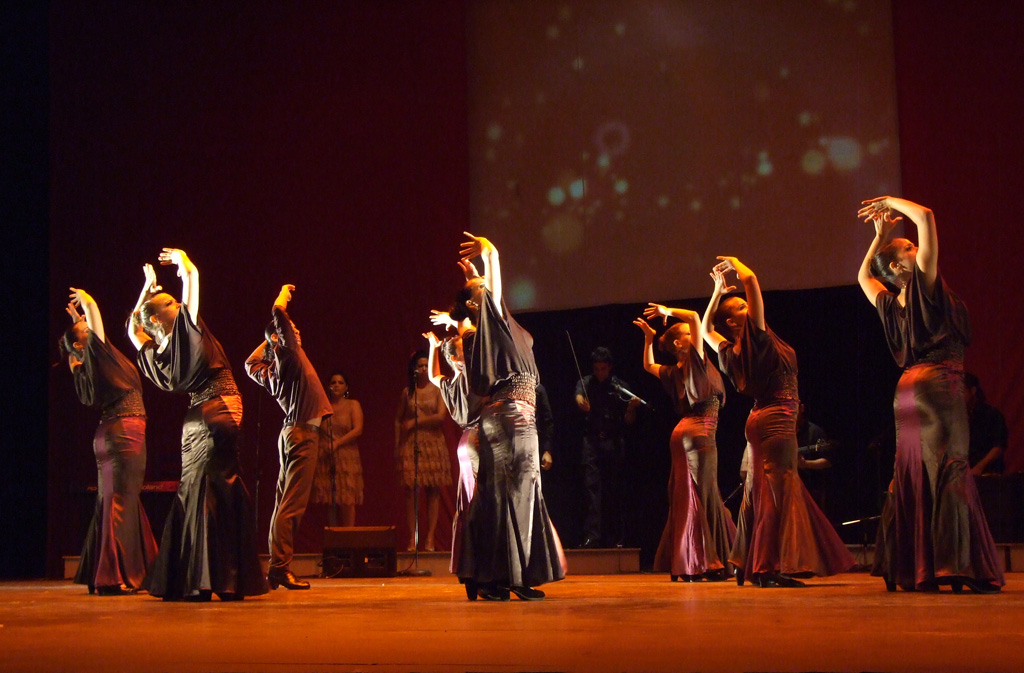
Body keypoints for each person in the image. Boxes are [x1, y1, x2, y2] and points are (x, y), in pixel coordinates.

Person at [856, 196, 1003, 593]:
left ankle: (911, 564)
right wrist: (889, 204)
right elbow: (926, 216)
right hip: (939, 382)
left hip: (906, 389)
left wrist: (881, 236)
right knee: (951, 466)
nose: (916, 247)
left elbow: (862, 277)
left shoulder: (890, 301)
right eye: (908, 248)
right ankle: (952, 566)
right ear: (902, 267)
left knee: (912, 474)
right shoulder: (923, 283)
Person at [702, 257, 854, 587]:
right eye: (740, 307)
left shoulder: (729, 350)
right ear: (733, 322)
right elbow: (753, 282)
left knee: (758, 491)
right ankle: (767, 567)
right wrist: (738, 266)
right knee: (777, 490)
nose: (748, 307)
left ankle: (746, 563)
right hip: (778, 419)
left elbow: (704, 330)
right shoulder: (752, 340)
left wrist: (716, 291)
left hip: (759, 420)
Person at [129, 250, 267, 601]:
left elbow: (133, 327)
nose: (177, 303)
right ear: (162, 317)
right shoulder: (185, 333)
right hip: (218, 408)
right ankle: (219, 579)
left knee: (197, 491)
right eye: (170, 303)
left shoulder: (154, 352)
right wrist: (184, 261)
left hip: (194, 419)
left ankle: (195, 579)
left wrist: (146, 289)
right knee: (217, 489)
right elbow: (192, 280)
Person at [452, 233, 565, 600]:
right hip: (510, 416)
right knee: (516, 492)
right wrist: (491, 256)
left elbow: (489, 296)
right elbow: (490, 292)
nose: (491, 290)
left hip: (515, 416)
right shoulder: (489, 320)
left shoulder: (503, 325)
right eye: (483, 290)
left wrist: (476, 276)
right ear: (476, 301)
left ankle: (491, 577)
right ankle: (512, 576)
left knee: (505, 495)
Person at [62, 288, 157, 595]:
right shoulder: (95, 354)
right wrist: (86, 300)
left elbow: (93, 331)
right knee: (120, 501)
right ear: (82, 343)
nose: (93, 331)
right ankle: (112, 577)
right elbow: (93, 312)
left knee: (117, 501)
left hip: (111, 434)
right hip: (124, 434)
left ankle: (123, 571)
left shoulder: (93, 362)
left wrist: (144, 290)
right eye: (87, 331)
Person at [635, 304, 734, 581]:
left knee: (687, 496)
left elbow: (647, 365)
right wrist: (667, 311)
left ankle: (688, 560)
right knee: (704, 495)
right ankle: (703, 561)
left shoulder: (675, 370)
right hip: (700, 431)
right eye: (689, 335)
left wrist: (648, 339)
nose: (696, 335)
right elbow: (694, 317)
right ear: (680, 343)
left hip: (682, 434)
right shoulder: (694, 358)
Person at [245, 284, 333, 591]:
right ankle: (280, 567)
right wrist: (283, 296)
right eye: (290, 330)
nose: (295, 331)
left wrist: (268, 342)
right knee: (291, 505)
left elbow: (249, 364)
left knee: (284, 502)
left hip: (291, 434)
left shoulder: (273, 368)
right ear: (281, 338)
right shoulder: (291, 356)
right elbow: (278, 313)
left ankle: (277, 566)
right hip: (302, 435)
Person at [423, 324, 483, 597]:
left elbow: (434, 375)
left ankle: (469, 568)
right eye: (463, 352)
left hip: (464, 443)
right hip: (478, 441)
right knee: (479, 505)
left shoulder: (448, 384)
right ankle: (477, 568)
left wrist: (434, 348)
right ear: (457, 358)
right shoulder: (470, 378)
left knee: (468, 504)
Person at [574, 347, 641, 548]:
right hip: (591, 442)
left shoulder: (620, 387)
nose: (600, 372)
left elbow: (629, 421)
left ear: (609, 367)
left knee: (614, 489)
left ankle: (616, 538)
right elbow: (577, 396)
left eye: (603, 368)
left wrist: (631, 409)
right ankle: (592, 536)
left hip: (613, 441)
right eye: (596, 369)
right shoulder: (586, 382)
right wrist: (581, 403)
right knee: (591, 489)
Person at [395, 350, 452, 552]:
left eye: (426, 365)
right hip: (412, 443)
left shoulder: (437, 390)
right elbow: (398, 419)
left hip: (433, 442)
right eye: (419, 365)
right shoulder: (407, 392)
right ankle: (413, 537)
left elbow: (440, 416)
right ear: (413, 369)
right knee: (411, 491)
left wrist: (416, 421)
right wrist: (398, 444)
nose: (423, 369)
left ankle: (430, 538)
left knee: (433, 491)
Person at [311, 370, 364, 526]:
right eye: (333, 382)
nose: (336, 385)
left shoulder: (353, 405)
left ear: (346, 387)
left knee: (346, 501)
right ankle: (333, 543)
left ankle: (349, 541)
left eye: (340, 382)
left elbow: (358, 429)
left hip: (347, 456)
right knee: (330, 500)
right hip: (327, 456)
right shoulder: (322, 407)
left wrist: (338, 443)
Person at [963, 373, 1008, 476]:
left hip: (988, 474)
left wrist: (979, 468)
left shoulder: (991, 414)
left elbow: (999, 446)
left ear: (973, 391)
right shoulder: (956, 417)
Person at [795, 403, 834, 514]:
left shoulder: (815, 431)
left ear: (801, 408)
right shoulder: (785, 433)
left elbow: (827, 461)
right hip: (789, 490)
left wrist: (805, 464)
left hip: (811, 490)